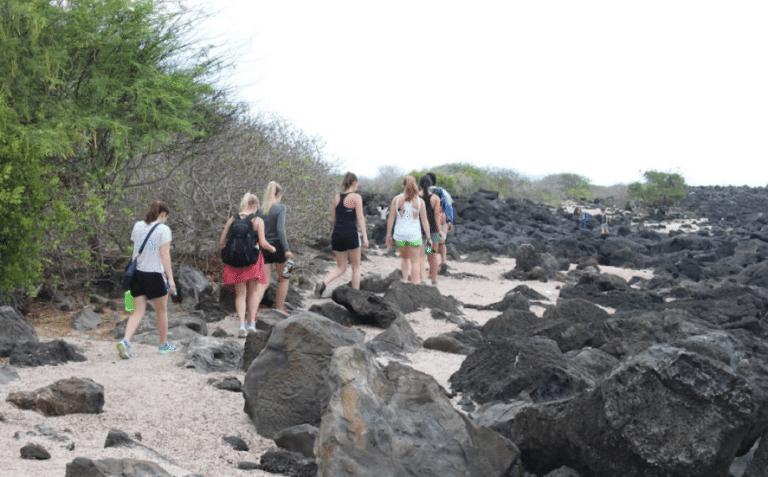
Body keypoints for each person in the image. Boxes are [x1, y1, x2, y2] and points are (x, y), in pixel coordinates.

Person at [117, 201, 178, 359]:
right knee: (161, 311)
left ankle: (125, 341)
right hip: (154, 274)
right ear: (163, 214)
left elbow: (137, 246)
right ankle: (163, 345)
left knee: (138, 311)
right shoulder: (163, 229)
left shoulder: (138, 226)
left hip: (137, 273)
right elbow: (164, 255)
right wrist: (170, 278)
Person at [219, 193, 276, 338]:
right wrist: (272, 248)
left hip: (234, 263)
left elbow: (221, 242)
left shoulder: (232, 219)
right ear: (255, 206)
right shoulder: (258, 220)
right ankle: (252, 324)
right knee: (253, 293)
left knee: (240, 295)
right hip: (253, 260)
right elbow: (262, 243)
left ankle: (241, 325)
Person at [315, 172, 369, 297]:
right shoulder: (356, 197)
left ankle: (323, 283)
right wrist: (365, 237)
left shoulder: (337, 197)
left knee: (341, 267)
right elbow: (360, 218)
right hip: (351, 233)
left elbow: (333, 220)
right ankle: (356, 296)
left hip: (337, 234)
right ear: (354, 183)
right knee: (356, 267)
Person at [386, 176, 432, 284]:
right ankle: (414, 284)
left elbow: (391, 218)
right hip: (414, 235)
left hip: (399, 234)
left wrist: (388, 234)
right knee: (415, 262)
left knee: (405, 259)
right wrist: (429, 237)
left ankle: (405, 281)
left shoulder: (396, 199)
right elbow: (425, 221)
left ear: (403, 185)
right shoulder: (420, 201)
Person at [258, 181, 293, 313]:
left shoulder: (260, 210)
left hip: (264, 247)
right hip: (278, 247)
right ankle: (279, 308)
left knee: (264, 282)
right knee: (285, 277)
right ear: (278, 194)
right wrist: (287, 250)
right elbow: (281, 230)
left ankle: (253, 309)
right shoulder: (281, 208)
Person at [419, 175, 445, 285]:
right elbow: (436, 216)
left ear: (419, 184)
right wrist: (440, 231)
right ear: (430, 185)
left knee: (423, 255)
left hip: (419, 231)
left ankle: (422, 278)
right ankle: (434, 278)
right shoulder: (435, 198)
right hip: (433, 231)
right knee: (433, 254)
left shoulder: (416, 197)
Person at [427, 172, 454, 269]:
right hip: (444, 219)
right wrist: (450, 221)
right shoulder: (443, 191)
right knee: (442, 241)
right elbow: (449, 206)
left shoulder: (423, 192)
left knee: (429, 242)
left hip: (431, 220)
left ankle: (431, 264)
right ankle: (443, 261)